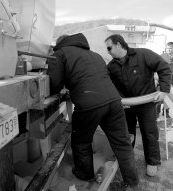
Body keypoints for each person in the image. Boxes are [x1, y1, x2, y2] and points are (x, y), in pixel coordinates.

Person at [47, 33, 139, 188]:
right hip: (114, 101)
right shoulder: (95, 54)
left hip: (89, 104)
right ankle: (132, 180)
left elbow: (54, 83)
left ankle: (85, 175)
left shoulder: (60, 53)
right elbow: (96, 77)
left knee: (82, 141)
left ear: (60, 43)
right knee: (122, 143)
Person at [105, 34, 171, 177]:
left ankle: (153, 162)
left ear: (118, 44)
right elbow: (108, 84)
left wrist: (164, 90)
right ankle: (128, 160)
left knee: (149, 133)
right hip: (126, 105)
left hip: (146, 103)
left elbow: (164, 67)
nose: (108, 51)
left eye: (109, 48)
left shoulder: (143, 54)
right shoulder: (111, 66)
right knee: (127, 134)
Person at [156, 42, 173, 118]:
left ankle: (166, 112)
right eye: (167, 48)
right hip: (161, 78)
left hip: (171, 79)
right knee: (160, 94)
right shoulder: (161, 56)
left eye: (170, 48)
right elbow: (156, 68)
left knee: (169, 96)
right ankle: (157, 112)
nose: (168, 50)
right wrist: (156, 78)